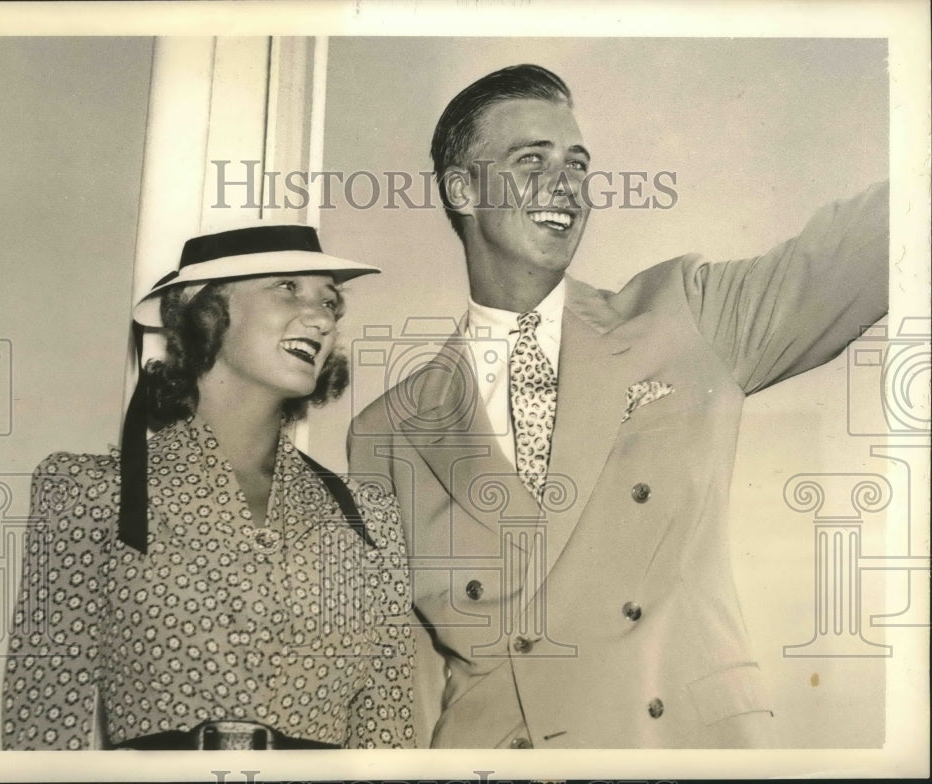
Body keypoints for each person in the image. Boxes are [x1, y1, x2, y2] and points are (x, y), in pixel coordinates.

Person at [348, 64, 888, 748]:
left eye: (577, 164)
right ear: (462, 189)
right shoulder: (390, 429)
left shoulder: (684, 313)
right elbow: (406, 677)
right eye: (531, 161)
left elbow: (856, 250)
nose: (564, 186)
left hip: (672, 748)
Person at [2, 225, 416, 750]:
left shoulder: (368, 518)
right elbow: (44, 724)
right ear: (205, 310)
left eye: (330, 302)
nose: (320, 318)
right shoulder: (88, 492)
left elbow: (386, 732)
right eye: (288, 287)